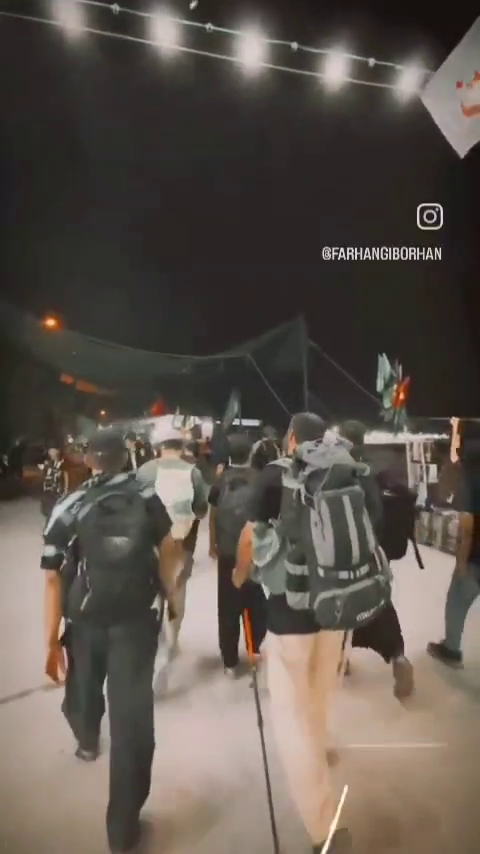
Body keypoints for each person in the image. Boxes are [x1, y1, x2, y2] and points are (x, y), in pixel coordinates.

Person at [41, 428, 179, 854]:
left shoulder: (70, 504)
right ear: (126, 458)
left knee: (83, 683)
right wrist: (169, 594)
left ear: (89, 461)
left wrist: (50, 640)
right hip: (136, 621)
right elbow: (169, 546)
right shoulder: (147, 497)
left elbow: (51, 576)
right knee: (132, 719)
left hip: (85, 618)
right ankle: (123, 829)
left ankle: (86, 739)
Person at [234, 413, 351, 854]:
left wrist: (239, 574)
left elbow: (250, 537)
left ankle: (324, 828)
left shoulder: (274, 476)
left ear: (292, 439)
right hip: (336, 607)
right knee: (318, 700)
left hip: (290, 612)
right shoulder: (344, 471)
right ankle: (318, 761)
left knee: (291, 718)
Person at [339, 421, 414, 700]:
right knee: (380, 604)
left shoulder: (340, 471)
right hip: (375, 554)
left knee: (340, 606)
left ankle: (342, 658)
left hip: (347, 555)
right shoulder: (374, 469)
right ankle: (397, 656)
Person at [144, 425, 209, 657]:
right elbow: (201, 508)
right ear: (181, 446)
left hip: (149, 545)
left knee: (151, 592)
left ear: (158, 447)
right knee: (177, 591)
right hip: (182, 544)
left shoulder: (144, 472)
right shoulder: (193, 473)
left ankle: (154, 637)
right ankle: (173, 639)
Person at [209, 432, 267, 676]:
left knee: (228, 606)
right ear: (251, 453)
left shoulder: (221, 481)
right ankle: (255, 648)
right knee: (255, 601)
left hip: (227, 552)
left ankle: (230, 661)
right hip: (255, 550)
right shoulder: (261, 479)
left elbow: (213, 514)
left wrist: (213, 543)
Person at [427, 445, 480, 667]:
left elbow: (467, 527)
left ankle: (451, 649)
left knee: (457, 601)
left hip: (476, 559)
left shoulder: (470, 479)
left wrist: (461, 563)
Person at [39, 443, 69, 519]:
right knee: (48, 512)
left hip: (58, 491)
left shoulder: (62, 463)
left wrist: (65, 490)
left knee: (56, 512)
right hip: (48, 491)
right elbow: (45, 476)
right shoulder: (48, 463)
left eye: (53, 451)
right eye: (50, 451)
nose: (51, 453)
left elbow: (66, 476)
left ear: (58, 451)